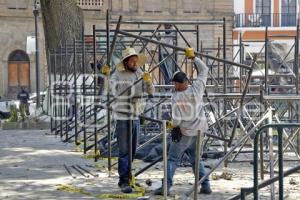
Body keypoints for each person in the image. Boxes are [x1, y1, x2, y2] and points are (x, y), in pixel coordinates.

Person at [155, 48, 212, 195]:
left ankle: (166, 187)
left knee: (173, 158)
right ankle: (205, 185)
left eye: (175, 84)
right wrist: (194, 58)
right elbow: (204, 70)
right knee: (195, 159)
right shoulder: (197, 89)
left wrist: (170, 124)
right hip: (200, 130)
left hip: (185, 132)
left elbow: (176, 120)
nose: (174, 86)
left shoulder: (177, 97)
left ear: (180, 83)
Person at [110, 47, 155, 193]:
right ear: (126, 62)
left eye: (136, 61)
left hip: (135, 116)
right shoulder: (118, 74)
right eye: (132, 61)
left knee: (133, 150)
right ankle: (123, 181)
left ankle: (129, 177)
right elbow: (111, 89)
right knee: (124, 150)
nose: (135, 63)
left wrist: (148, 82)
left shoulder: (140, 73)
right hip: (123, 116)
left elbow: (150, 92)